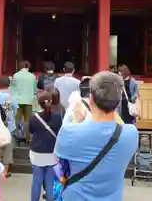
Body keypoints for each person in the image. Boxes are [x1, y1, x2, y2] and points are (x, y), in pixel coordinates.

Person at [55, 71, 138, 201]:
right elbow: (117, 123)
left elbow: (59, 160)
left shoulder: (69, 131)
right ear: (118, 101)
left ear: (91, 98)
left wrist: (77, 121)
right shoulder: (131, 134)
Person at [29, 90, 62, 201]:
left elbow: (31, 131)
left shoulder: (34, 117)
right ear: (51, 101)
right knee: (49, 183)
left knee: (36, 182)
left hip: (37, 152)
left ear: (39, 103)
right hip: (52, 152)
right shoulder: (58, 117)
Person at [0, 76, 18, 177]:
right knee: (8, 148)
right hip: (9, 125)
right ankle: (5, 171)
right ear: (9, 85)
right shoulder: (11, 96)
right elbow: (16, 110)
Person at [11, 61, 37, 143]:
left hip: (17, 101)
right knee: (27, 120)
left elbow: (12, 89)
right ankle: (28, 139)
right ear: (28, 67)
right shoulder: (32, 76)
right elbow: (34, 90)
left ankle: (16, 138)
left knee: (17, 119)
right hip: (29, 100)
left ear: (20, 66)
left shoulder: (15, 75)